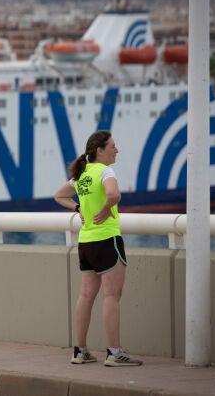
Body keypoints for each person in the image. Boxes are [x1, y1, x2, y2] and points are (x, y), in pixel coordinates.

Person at [54, 130, 142, 367]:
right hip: (107, 239)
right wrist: (105, 209)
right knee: (112, 296)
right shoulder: (105, 171)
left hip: (86, 242)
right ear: (100, 150)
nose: (117, 150)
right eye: (113, 146)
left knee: (85, 296)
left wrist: (79, 209)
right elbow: (114, 194)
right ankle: (114, 353)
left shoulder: (81, 174)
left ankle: (80, 351)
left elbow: (59, 195)